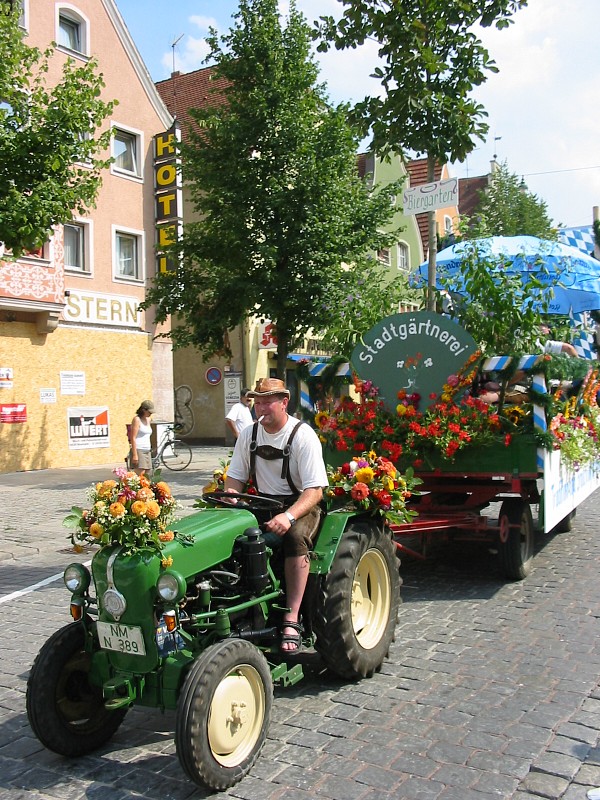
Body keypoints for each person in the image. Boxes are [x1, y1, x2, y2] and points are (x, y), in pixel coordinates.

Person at [224, 378, 328, 653]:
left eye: (268, 401)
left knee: (295, 539)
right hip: (262, 503)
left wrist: (289, 516)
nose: (261, 407)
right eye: (257, 402)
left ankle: (291, 617)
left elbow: (315, 491)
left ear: (284, 402)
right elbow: (235, 477)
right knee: (232, 537)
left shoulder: (302, 435)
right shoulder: (249, 434)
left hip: (300, 505)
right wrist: (232, 499)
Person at [128, 400, 154, 475]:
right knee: (141, 473)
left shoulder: (148, 420)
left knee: (147, 473)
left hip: (147, 449)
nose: (150, 414)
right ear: (143, 410)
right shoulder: (137, 419)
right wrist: (135, 454)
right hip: (139, 449)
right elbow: (133, 437)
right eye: (149, 412)